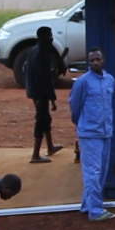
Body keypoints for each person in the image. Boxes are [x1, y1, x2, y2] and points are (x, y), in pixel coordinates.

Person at [69, 46, 115, 221]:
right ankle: (96, 211)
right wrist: (83, 125)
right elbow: (75, 107)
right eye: (92, 60)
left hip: (106, 132)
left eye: (98, 59)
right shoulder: (82, 82)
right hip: (90, 134)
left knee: (101, 171)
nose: (95, 63)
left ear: (103, 60)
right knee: (93, 172)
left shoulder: (110, 80)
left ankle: (87, 205)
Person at [24, 26, 67, 163]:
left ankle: (50, 147)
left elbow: (32, 72)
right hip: (39, 92)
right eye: (49, 36)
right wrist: (52, 100)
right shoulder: (42, 55)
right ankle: (35, 155)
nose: (51, 38)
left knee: (46, 118)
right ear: (43, 37)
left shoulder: (34, 50)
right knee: (41, 120)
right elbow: (45, 80)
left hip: (35, 90)